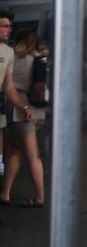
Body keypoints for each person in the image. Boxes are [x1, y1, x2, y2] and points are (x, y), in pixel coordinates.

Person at [0, 28, 46, 207]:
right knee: (14, 150)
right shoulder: (38, 59)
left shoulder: (13, 58)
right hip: (34, 109)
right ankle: (5, 192)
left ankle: (39, 197)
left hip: (18, 110)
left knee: (30, 154)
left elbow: (7, 87)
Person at [0, 11, 34, 203]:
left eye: (9, 26)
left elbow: (9, 87)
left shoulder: (8, 52)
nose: (8, 30)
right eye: (4, 26)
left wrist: (24, 107)